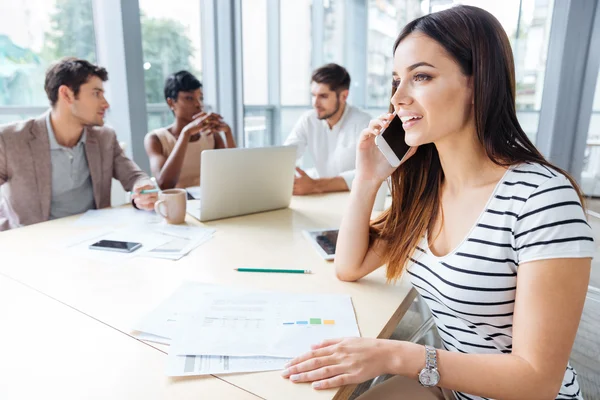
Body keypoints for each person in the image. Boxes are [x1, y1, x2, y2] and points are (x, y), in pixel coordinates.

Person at [281, 6, 593, 400]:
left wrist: (395, 355)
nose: (398, 97)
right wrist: (368, 178)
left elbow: (536, 379)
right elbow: (349, 266)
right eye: (397, 80)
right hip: (453, 385)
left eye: (421, 77)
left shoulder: (543, 200)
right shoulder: (427, 189)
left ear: (478, 84)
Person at [0, 58, 157, 232]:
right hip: (34, 246)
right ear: (66, 94)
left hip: (92, 239)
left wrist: (143, 189)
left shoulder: (104, 137)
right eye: (96, 93)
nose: (105, 103)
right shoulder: (10, 140)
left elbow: (134, 176)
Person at [284, 63, 371, 195]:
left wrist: (315, 185)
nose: (315, 103)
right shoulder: (308, 120)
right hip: (321, 196)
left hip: (354, 197)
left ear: (344, 96)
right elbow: (285, 155)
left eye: (323, 96)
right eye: (313, 95)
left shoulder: (364, 123)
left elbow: (369, 173)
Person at [144, 70, 236, 189]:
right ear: (171, 102)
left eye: (200, 98)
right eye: (189, 98)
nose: (198, 104)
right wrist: (185, 134)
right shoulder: (156, 139)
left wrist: (227, 132)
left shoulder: (211, 136)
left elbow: (232, 175)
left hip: (209, 203)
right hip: (177, 205)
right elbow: (165, 184)